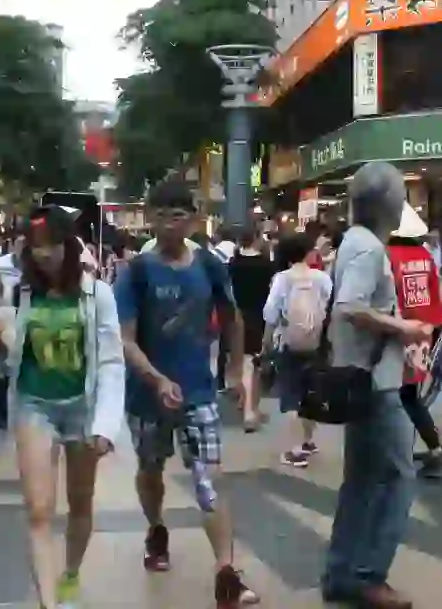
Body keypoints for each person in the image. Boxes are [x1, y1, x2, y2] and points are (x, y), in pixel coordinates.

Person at [113, 181, 257, 607]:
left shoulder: (210, 265)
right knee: (150, 471)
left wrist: (234, 369)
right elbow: (125, 339)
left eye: (179, 213)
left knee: (209, 478)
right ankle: (156, 527)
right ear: (148, 216)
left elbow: (232, 318)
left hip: (198, 394)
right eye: (162, 213)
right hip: (145, 396)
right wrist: (156, 379)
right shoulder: (137, 271)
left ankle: (226, 573)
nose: (170, 222)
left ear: (193, 217)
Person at [0, 205, 124, 609]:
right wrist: (4, 338)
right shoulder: (22, 292)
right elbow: (18, 357)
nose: (44, 254)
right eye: (36, 246)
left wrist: (105, 426)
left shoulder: (97, 293)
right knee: (38, 509)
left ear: (69, 245)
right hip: (35, 406)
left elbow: (110, 360)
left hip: (83, 409)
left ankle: (70, 572)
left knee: (80, 502)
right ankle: (49, 603)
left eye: (52, 244)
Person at [321, 162, 426, 609]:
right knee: (398, 476)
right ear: (390, 203)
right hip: (376, 383)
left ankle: (341, 573)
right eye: (402, 195)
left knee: (360, 479)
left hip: (358, 378)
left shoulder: (354, 242)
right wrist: (403, 327)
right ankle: (368, 575)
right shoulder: (369, 250)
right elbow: (349, 306)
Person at [385, 204, 442, 479]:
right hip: (423, 332)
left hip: (397, 332)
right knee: (409, 394)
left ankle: (395, 455)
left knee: (391, 396)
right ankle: (434, 448)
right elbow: (437, 296)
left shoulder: (387, 256)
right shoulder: (424, 256)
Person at [263, 232, 331, 468]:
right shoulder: (322, 278)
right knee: (312, 393)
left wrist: (266, 342)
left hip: (289, 342)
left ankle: (295, 450)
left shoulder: (282, 278)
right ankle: (309, 441)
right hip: (316, 343)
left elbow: (271, 314)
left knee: (290, 395)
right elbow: (332, 308)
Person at [228, 227, 277, 431]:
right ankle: (250, 411)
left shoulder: (233, 264)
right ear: (257, 239)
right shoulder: (267, 266)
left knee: (242, 362)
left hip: (235, 316)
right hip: (258, 317)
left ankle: (249, 405)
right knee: (253, 364)